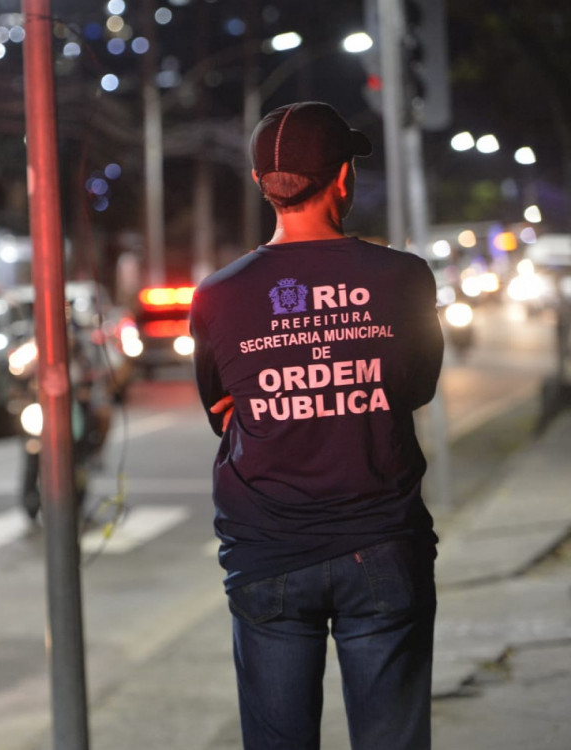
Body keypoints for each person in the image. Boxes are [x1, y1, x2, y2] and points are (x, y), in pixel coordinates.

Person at [189, 102, 445, 750]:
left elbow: (220, 410)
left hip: (266, 550)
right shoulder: (404, 277)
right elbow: (417, 387)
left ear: (261, 184)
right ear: (342, 179)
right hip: (382, 542)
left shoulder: (218, 294)